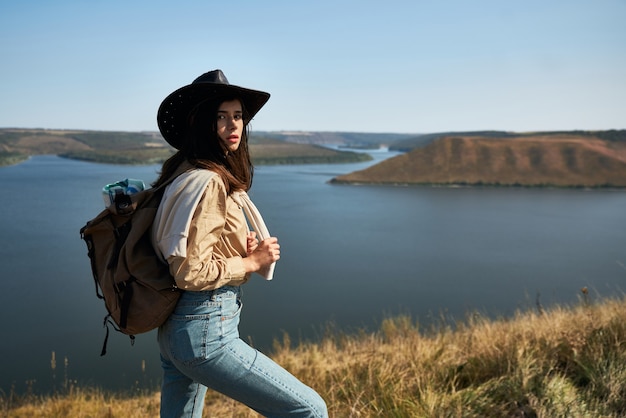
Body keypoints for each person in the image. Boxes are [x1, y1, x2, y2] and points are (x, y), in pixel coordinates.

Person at [151, 69, 328, 418]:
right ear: (200, 122)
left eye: (238, 116)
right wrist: (251, 262)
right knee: (309, 410)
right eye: (220, 117)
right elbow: (190, 271)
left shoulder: (182, 171)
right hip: (205, 333)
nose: (233, 126)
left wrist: (235, 249)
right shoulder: (209, 182)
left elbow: (180, 243)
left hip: (175, 331)